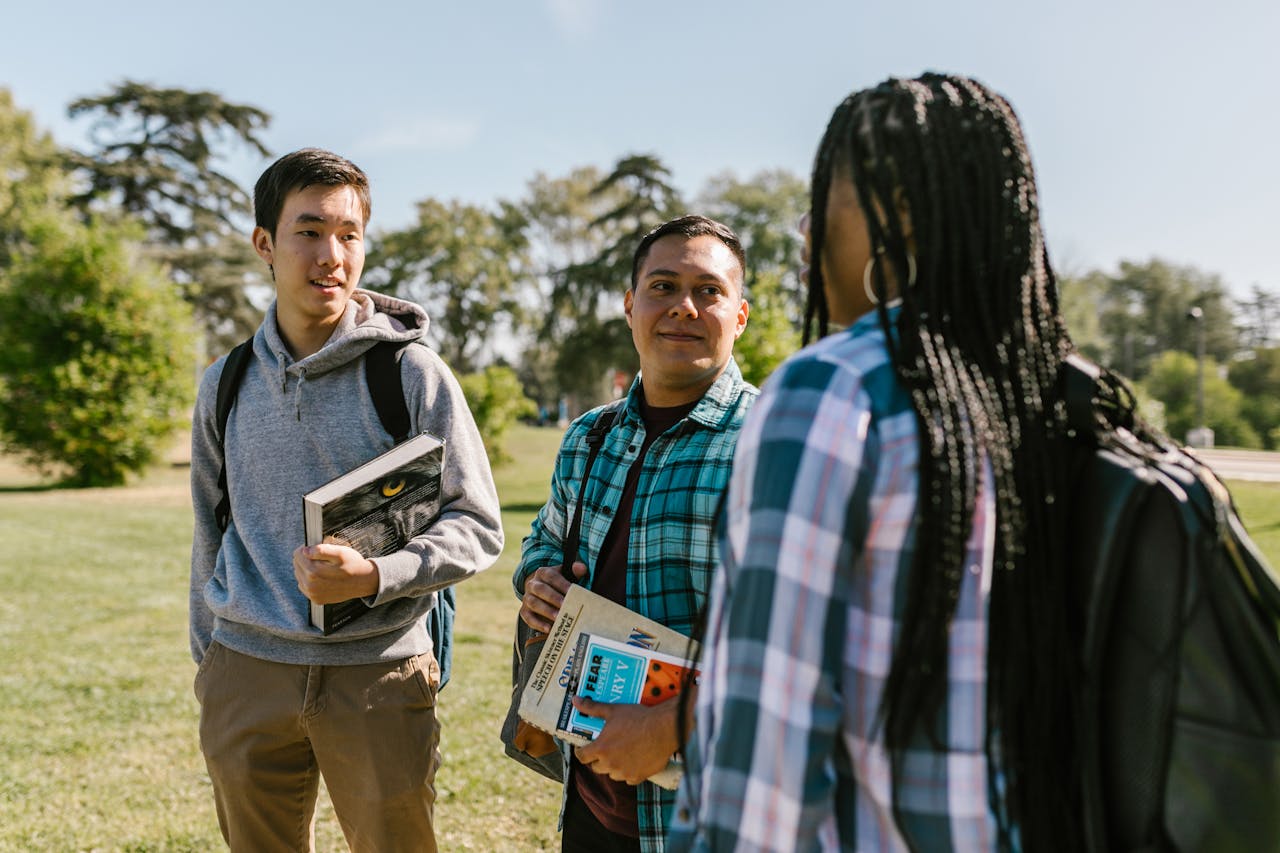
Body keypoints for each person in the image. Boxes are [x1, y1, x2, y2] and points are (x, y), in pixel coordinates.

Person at [670, 73, 1102, 851]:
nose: (806, 234)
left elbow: (767, 753)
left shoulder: (835, 389)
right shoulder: (1054, 393)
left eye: (820, 200)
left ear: (897, 212)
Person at [188, 148, 503, 852]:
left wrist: (378, 575)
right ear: (265, 244)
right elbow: (210, 530)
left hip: (379, 674)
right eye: (309, 231)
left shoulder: (410, 372)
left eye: (349, 233)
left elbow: (479, 523)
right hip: (246, 673)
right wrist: (211, 660)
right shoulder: (226, 382)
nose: (332, 254)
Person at [515, 214, 758, 853]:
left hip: (711, 806)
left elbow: (795, 634)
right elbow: (543, 539)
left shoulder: (770, 444)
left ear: (739, 316)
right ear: (630, 306)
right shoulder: (591, 435)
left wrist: (673, 726)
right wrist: (537, 579)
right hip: (595, 794)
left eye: (709, 291)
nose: (683, 306)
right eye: (663, 286)